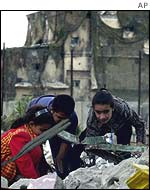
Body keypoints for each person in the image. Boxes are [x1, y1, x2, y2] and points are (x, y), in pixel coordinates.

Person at [82, 88, 146, 162]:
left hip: (121, 127)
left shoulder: (122, 108)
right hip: (101, 128)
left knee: (124, 155)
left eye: (106, 112)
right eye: (98, 112)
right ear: (94, 109)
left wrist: (140, 144)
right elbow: (90, 145)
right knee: (83, 145)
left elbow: (140, 124)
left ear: (112, 108)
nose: (102, 117)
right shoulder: (92, 118)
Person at [26, 94, 79, 179]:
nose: (62, 122)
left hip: (55, 126)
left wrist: (59, 158)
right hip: (35, 110)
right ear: (52, 111)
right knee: (36, 153)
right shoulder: (41, 112)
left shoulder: (72, 118)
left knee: (64, 157)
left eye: (65, 120)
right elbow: (35, 136)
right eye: (59, 117)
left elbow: (66, 140)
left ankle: (62, 178)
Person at [1, 105, 52, 185]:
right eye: (42, 130)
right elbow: (23, 161)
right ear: (31, 124)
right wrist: (36, 182)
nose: (44, 133)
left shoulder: (31, 133)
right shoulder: (21, 134)